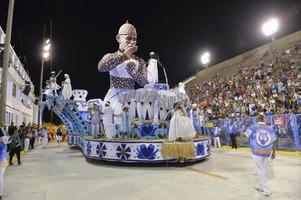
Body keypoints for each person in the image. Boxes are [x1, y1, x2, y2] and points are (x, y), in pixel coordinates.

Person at [98, 21, 149, 118]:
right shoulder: (110, 57)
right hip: (114, 98)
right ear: (118, 38)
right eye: (129, 38)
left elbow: (145, 82)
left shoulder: (139, 61)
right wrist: (123, 56)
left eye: (135, 39)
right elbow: (101, 67)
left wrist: (134, 73)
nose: (133, 41)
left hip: (132, 98)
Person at [244, 114, 277, 196]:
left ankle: (267, 190)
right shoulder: (269, 129)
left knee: (260, 170)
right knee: (264, 169)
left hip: (257, 152)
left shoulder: (253, 127)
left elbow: (245, 136)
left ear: (257, 120)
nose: (266, 119)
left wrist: (246, 133)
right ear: (263, 119)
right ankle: (260, 186)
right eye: (265, 118)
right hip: (267, 152)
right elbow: (274, 141)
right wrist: (274, 152)